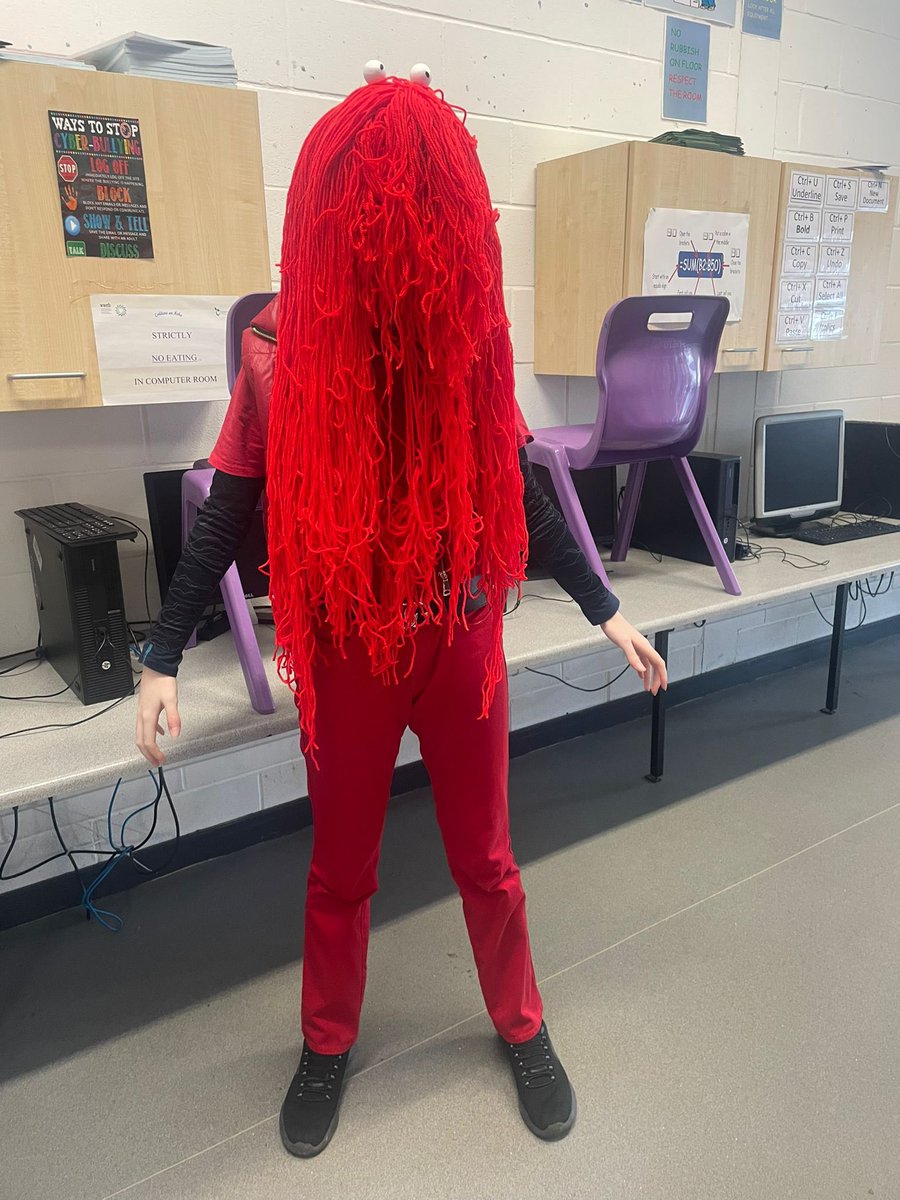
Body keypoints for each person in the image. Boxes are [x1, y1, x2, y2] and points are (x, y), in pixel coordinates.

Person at [135, 69, 667, 1159]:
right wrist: (159, 652)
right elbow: (234, 502)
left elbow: (515, 481)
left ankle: (522, 1023)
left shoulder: (466, 338)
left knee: (488, 859)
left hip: (457, 634)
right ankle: (326, 1044)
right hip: (344, 649)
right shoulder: (282, 355)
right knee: (342, 869)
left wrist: (603, 603)